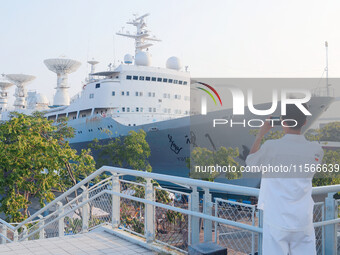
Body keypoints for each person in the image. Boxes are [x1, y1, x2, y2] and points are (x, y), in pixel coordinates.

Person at [246, 104, 324, 255]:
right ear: (305, 122)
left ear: (282, 121)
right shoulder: (316, 150)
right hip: (303, 220)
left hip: (276, 219)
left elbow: (250, 164)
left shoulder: (271, 147)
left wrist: (260, 134)